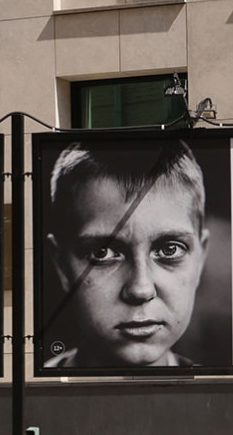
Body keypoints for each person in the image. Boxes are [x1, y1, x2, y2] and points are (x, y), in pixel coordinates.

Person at [43, 140, 209, 368]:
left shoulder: (224, 397)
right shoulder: (38, 398)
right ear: (61, 265)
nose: (140, 289)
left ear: (200, 259)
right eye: (102, 253)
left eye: (170, 249)